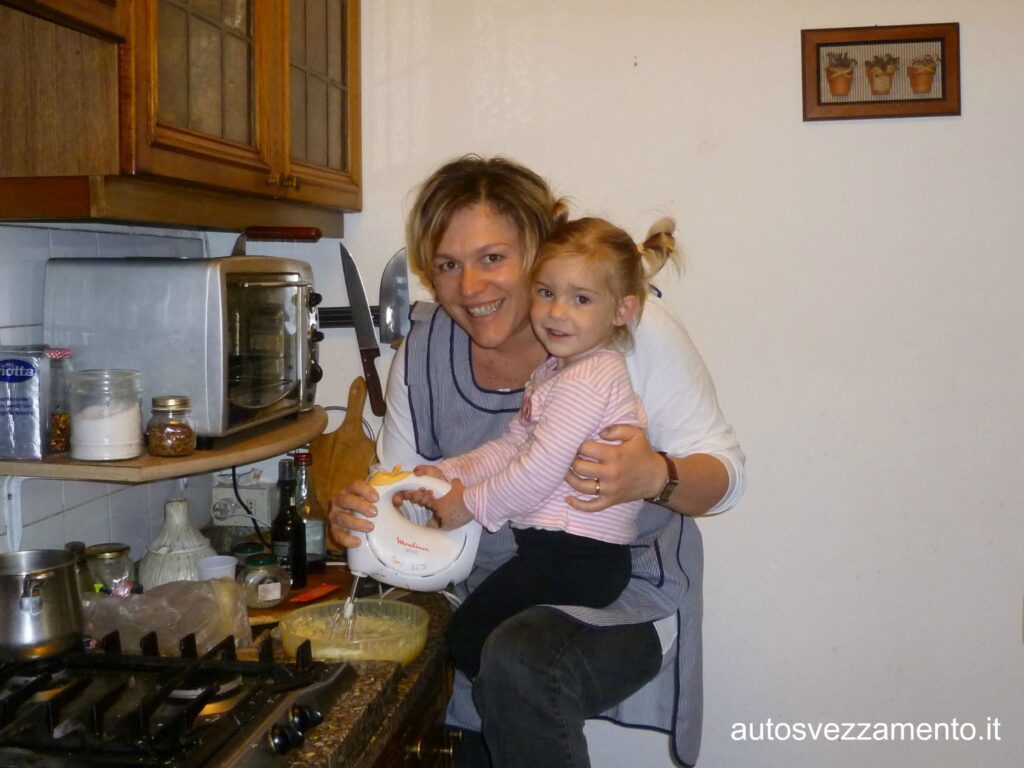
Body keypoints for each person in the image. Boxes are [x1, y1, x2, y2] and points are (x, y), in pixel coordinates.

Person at [330, 155, 746, 768]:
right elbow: (410, 488)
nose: (469, 288)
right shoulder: (423, 347)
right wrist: (367, 518)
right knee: (470, 678)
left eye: (493, 258)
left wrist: (657, 475)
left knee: (517, 663)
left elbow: (727, 479)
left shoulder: (627, 331)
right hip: (490, 592)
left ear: (537, 250)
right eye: (447, 265)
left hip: (622, 593)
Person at [406, 216, 677, 680]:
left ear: (621, 310)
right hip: (557, 555)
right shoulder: (556, 372)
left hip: (578, 559)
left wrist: (468, 504)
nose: (556, 312)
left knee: (469, 639)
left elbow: (540, 467)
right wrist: (454, 473)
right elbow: (514, 443)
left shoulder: (589, 379)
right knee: (476, 639)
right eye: (546, 293)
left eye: (581, 299)